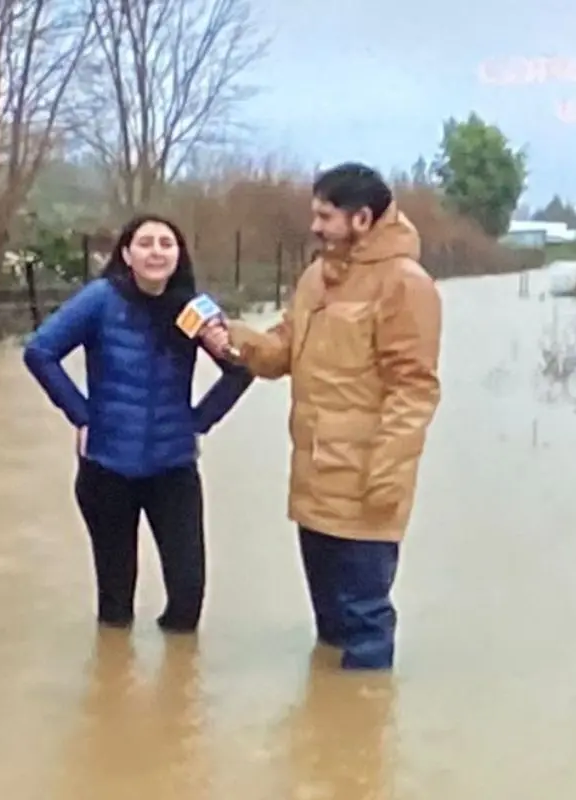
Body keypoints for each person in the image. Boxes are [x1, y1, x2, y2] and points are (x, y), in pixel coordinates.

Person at [203, 162, 442, 670]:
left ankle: (362, 733)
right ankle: (327, 733)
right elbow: (283, 351)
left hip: (365, 484)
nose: (314, 226)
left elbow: (413, 389)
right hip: (314, 477)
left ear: (361, 219)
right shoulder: (315, 277)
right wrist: (236, 339)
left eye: (324, 216)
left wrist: (388, 474)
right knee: (330, 626)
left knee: (364, 625)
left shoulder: (406, 284)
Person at [23, 214, 253, 632]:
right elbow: (40, 352)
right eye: (145, 243)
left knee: (187, 600)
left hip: (174, 467)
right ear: (127, 254)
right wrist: (81, 414)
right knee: (116, 607)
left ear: (178, 254)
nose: (156, 251)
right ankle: (113, 685)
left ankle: (177, 689)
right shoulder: (99, 299)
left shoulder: (195, 309)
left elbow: (240, 370)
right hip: (106, 467)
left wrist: (198, 422)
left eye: (166, 243)